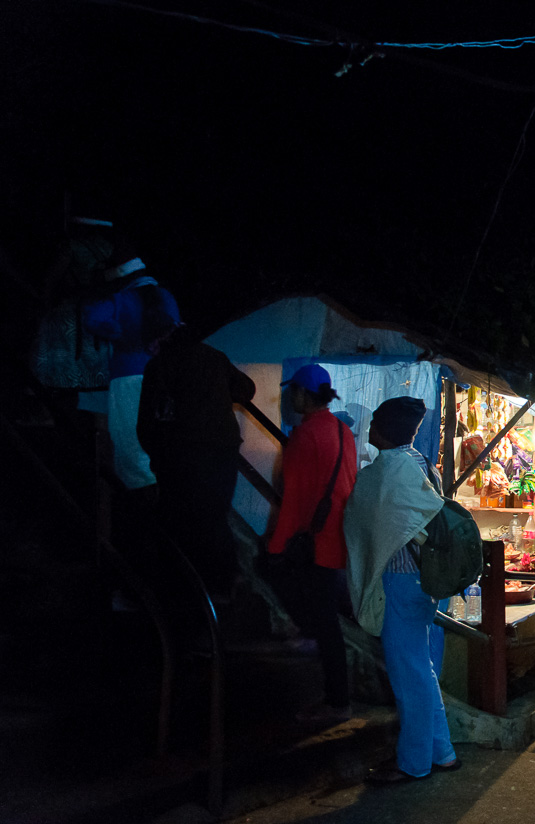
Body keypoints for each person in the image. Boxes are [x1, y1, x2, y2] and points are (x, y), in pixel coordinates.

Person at [344, 397, 459, 784]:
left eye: (374, 422)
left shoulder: (383, 472)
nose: (370, 428)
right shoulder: (424, 465)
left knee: (408, 677)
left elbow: (361, 521)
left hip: (399, 582)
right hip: (425, 584)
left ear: (384, 430)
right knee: (421, 671)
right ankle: (442, 752)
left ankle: (413, 764)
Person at [137, 325, 256, 600]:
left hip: (182, 455)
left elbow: (148, 421)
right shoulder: (213, 357)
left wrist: (158, 455)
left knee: (178, 520)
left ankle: (186, 589)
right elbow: (246, 389)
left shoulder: (159, 366)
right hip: (221, 451)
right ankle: (224, 582)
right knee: (214, 516)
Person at [267, 364, 357, 723]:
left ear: (304, 394)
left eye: (294, 394)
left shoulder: (304, 437)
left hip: (314, 542)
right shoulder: (343, 431)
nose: (291, 400)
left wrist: (275, 546)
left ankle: (338, 703)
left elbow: (294, 501)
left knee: (326, 626)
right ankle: (308, 638)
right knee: (328, 617)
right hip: (338, 539)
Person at [80, 256, 180, 491]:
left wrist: (117, 333)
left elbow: (92, 317)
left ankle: (138, 496)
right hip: (162, 372)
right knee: (159, 430)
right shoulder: (167, 297)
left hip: (127, 373)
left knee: (129, 437)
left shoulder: (121, 298)